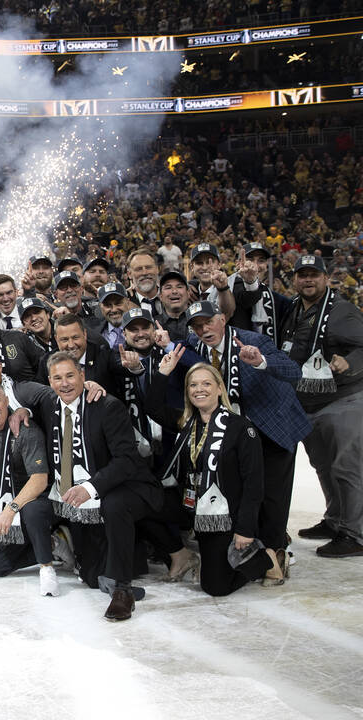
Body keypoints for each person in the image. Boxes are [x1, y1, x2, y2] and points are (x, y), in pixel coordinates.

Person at [22, 352, 163, 621]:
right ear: (49, 382)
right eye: (57, 378)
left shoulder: (107, 406)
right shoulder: (50, 404)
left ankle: (123, 591)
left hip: (124, 488)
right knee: (90, 577)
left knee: (114, 505)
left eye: (70, 376)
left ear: (83, 376)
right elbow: (17, 390)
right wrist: (22, 410)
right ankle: (106, 558)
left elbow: (126, 461)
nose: (64, 384)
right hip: (78, 500)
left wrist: (90, 487)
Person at [181, 300, 309, 566]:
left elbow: (293, 371)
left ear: (223, 319)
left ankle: (276, 553)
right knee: (249, 491)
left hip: (273, 426)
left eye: (208, 321)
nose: (203, 329)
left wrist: (261, 361)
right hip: (237, 433)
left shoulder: (253, 341)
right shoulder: (196, 348)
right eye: (196, 325)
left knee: (273, 495)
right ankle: (256, 548)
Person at [150, 358, 281, 595]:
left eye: (206, 384)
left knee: (215, 587)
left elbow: (254, 484)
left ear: (220, 388)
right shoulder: (187, 422)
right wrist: (163, 372)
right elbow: (153, 406)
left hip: (224, 518)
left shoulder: (241, 428)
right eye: (193, 385)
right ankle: (181, 554)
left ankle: (267, 558)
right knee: (139, 501)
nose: (199, 389)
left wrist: (245, 530)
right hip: (191, 506)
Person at [279, 254, 363, 557]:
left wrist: (349, 363)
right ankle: (336, 519)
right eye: (302, 275)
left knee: (347, 467)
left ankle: (356, 534)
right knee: (324, 465)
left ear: (326, 277)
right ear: (295, 279)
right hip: (309, 402)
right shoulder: (295, 310)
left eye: (314, 274)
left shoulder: (342, 311)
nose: (308, 280)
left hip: (343, 399)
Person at [0, 380, 57, 596]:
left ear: (7, 401)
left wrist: (11, 509)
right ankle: (55, 543)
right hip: (7, 498)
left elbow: (39, 480)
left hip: (38, 499)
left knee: (32, 510)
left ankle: (46, 567)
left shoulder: (25, 430)